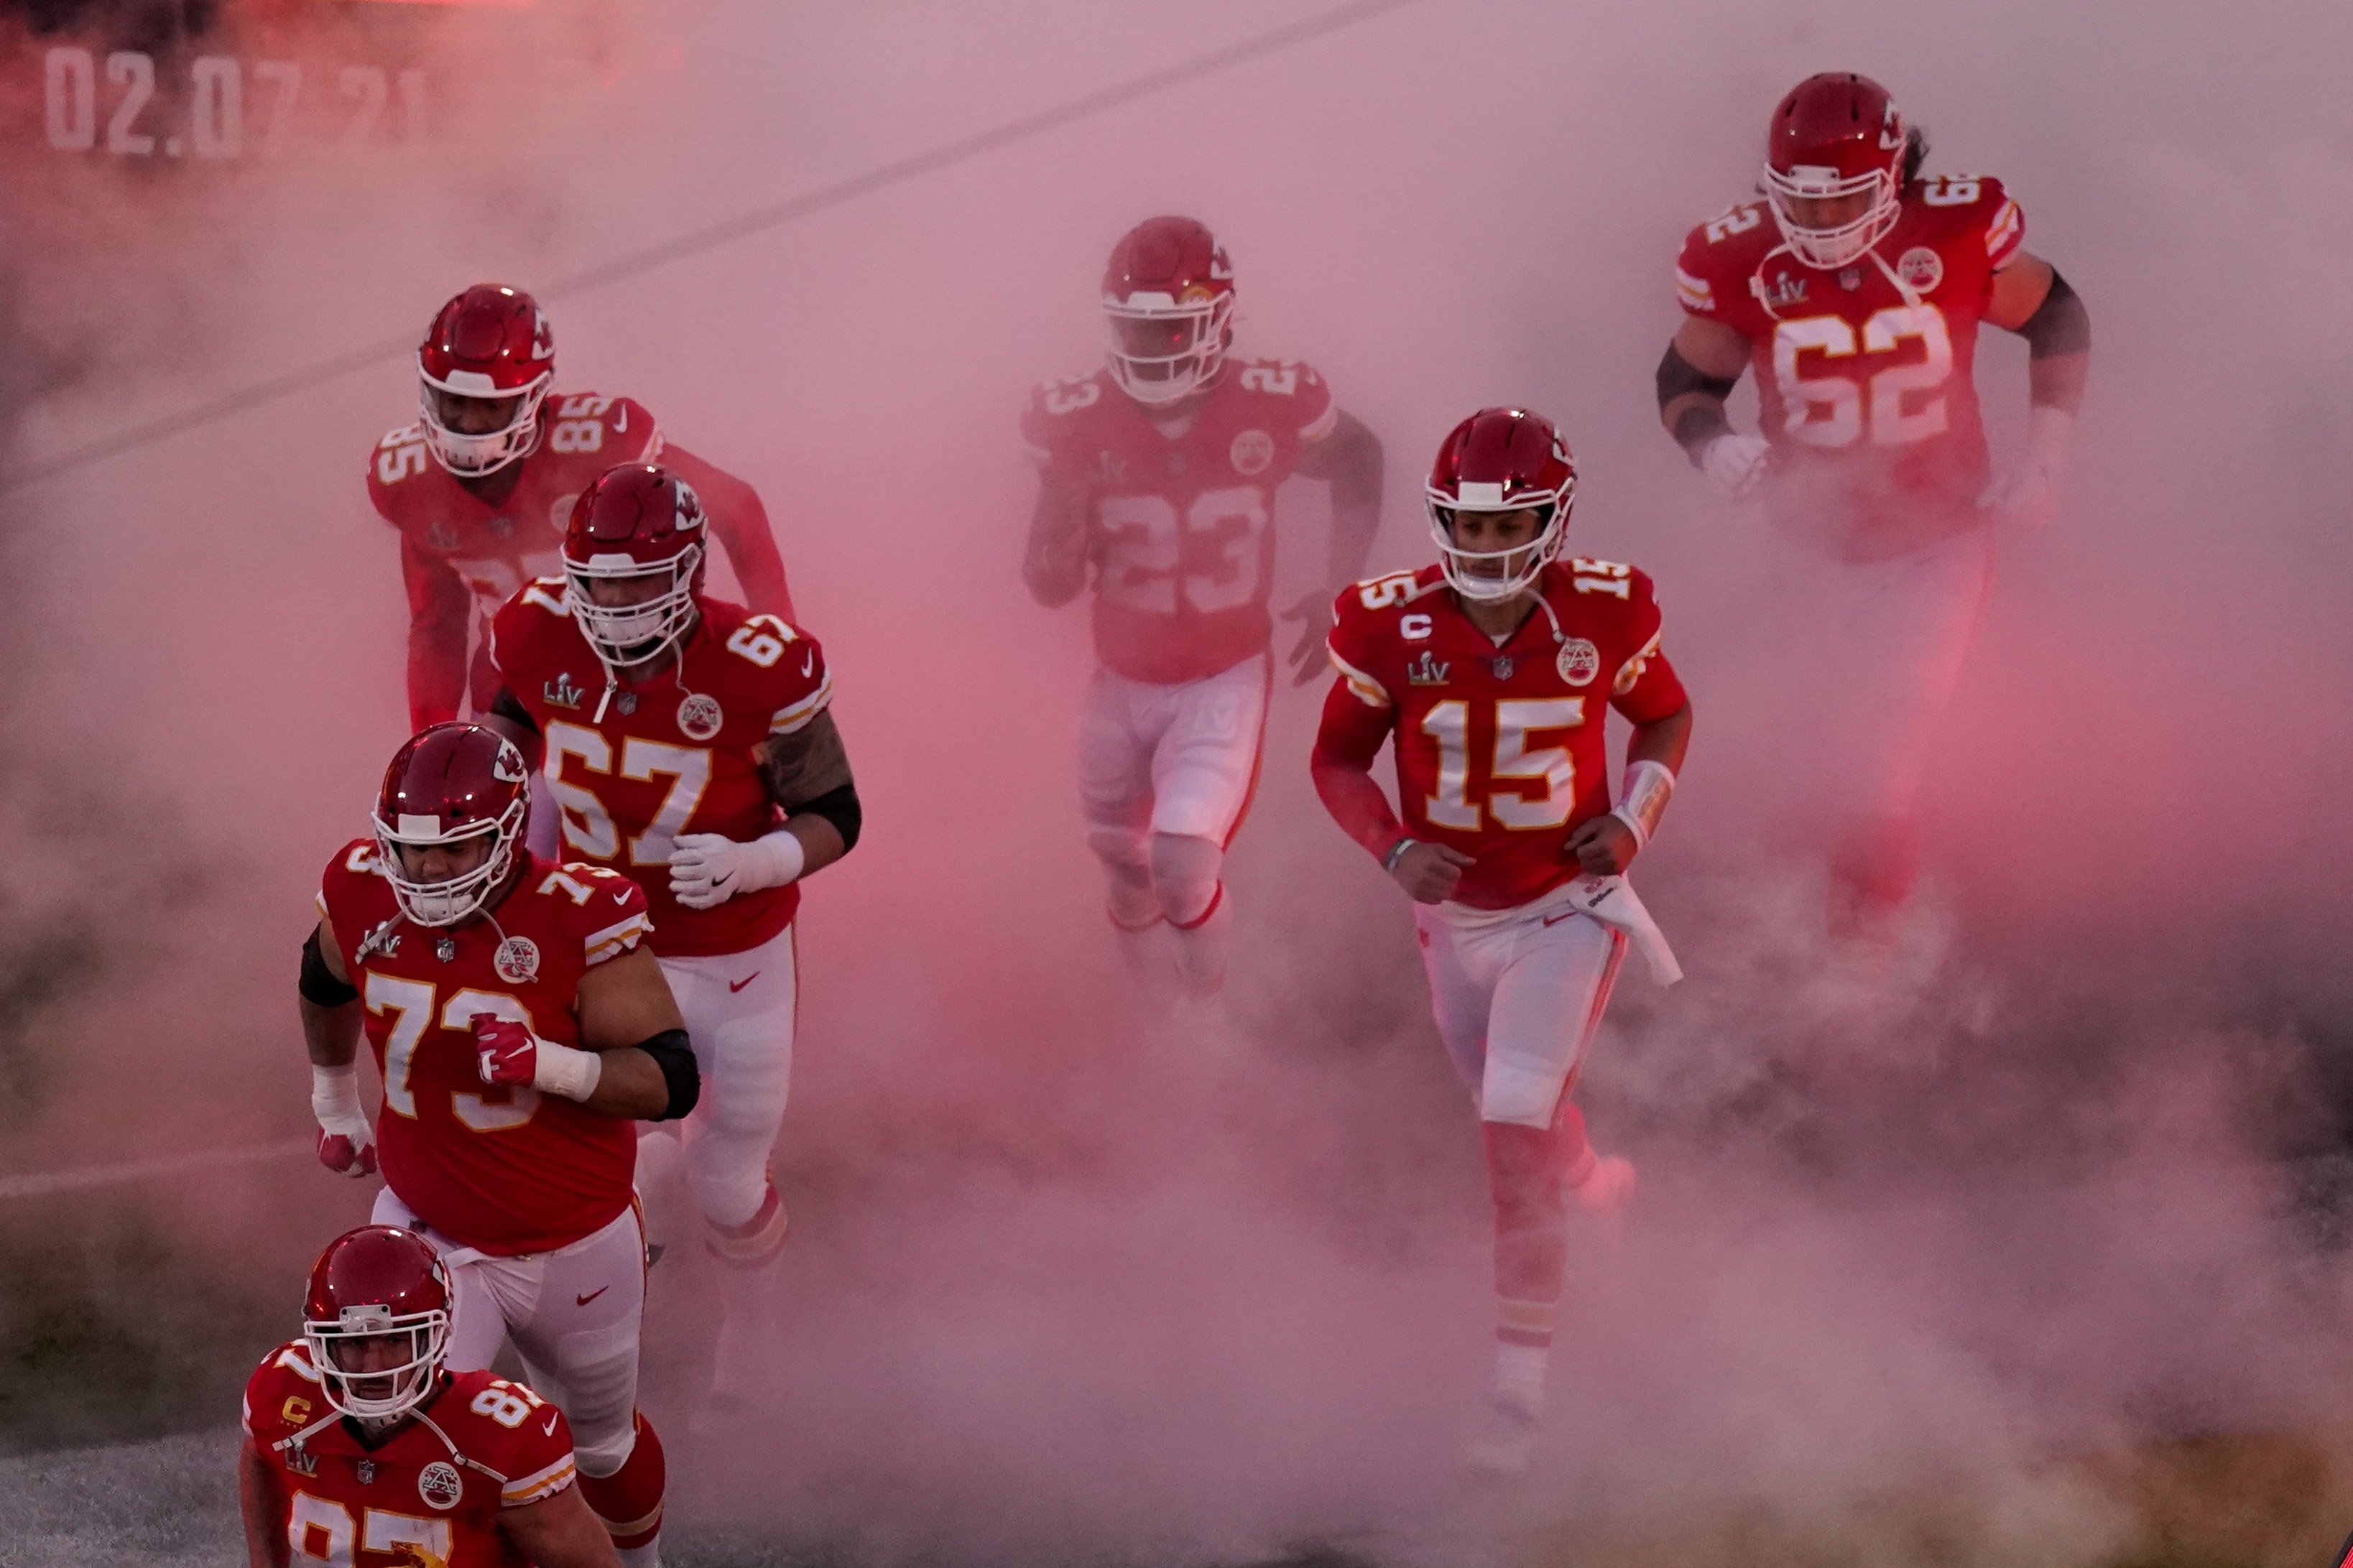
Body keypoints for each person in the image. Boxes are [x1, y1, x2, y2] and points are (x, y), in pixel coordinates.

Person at [1310, 408, 1692, 1476]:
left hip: (1565, 910)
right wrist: (1389, 848)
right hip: (1450, 922)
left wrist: (1632, 818)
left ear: (1552, 518)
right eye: (1466, 529)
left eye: (1507, 525)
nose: (1483, 549)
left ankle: (1517, 1394)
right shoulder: (1389, 624)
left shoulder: (1604, 612)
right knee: (1522, 1115)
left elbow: (1663, 717)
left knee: (1508, 1130)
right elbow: (1336, 760)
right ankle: (1600, 1183)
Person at [1655, 71, 2089, 926]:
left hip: (1934, 539)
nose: (1817, 224)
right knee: (1794, 746)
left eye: (1840, 199)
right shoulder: (1737, 256)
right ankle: (1794, 924)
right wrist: (1711, 446)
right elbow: (1686, 378)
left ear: (1892, 181)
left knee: (1879, 754)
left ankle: (1864, 971)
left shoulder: (1954, 232)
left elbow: (2057, 317)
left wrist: (2045, 457)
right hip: (1800, 542)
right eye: (1798, 202)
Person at [481, 462, 859, 1411]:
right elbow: (509, 743)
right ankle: (595, 1375)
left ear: (689, 574)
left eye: (634, 583)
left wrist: (756, 861)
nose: (610, 605)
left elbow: (836, 813)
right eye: (595, 581)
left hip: (736, 959)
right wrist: (514, 861)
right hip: (612, 953)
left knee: (726, 1179)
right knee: (627, 1167)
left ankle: (754, 1328)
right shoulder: (535, 627)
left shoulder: (761, 661)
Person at [301, 722, 698, 1565]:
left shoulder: (578, 912)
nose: (428, 871)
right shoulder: (365, 887)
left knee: (597, 1449)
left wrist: (550, 1065)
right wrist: (334, 1098)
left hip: (577, 1236)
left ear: (513, 832)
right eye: (409, 851)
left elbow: (670, 1078)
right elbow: (323, 973)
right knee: (415, 1436)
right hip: (432, 1237)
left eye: (456, 849)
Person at [1022, 215, 1384, 994]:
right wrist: (1063, 526)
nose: (1151, 350)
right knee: (1123, 864)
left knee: (1183, 856)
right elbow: (1045, 585)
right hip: (1117, 679)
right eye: (1135, 330)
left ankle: (1203, 1017)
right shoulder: (1075, 417)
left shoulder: (1270, 401)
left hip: (1220, 672)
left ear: (1217, 321)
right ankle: (1147, 1011)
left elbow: (1359, 457)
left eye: (1172, 330)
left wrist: (1339, 589)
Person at [369, 283, 792, 735]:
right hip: (516, 694)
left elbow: (736, 508)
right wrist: (431, 736)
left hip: (635, 676)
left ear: (532, 397)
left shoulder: (597, 446)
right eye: (456, 404)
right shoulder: (413, 484)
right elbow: (438, 626)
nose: (469, 426)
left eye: (489, 409)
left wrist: (779, 646)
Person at [239, 1225, 619, 1568]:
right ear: (321, 1342)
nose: (375, 1366)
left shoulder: (499, 1440)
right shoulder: (285, 1391)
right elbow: (260, 1456)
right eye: (355, 1343)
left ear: (435, 1336)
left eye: (395, 1340)